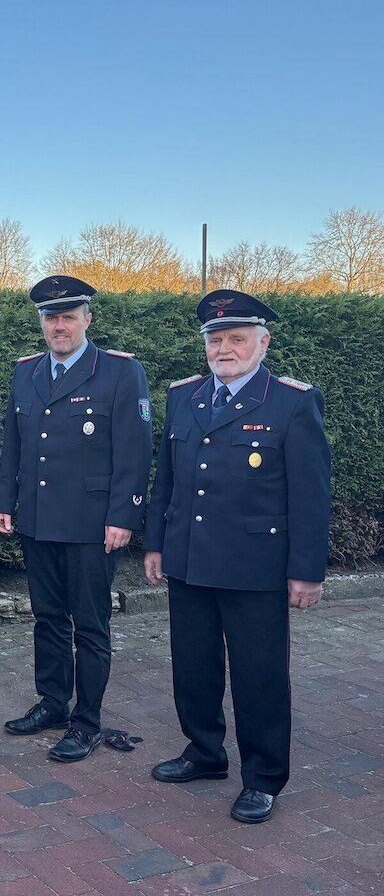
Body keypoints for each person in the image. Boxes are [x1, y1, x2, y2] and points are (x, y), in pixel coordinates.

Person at [144, 290, 331, 824]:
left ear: (262, 343)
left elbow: (311, 496)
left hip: (255, 565)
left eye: (237, 338)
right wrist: (156, 543)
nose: (224, 348)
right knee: (194, 667)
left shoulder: (292, 401)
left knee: (259, 675)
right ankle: (204, 753)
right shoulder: (185, 397)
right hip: (189, 558)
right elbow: (169, 481)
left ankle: (264, 777)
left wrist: (305, 571)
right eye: (216, 339)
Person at [0, 276, 153, 762]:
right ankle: (53, 703)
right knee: (47, 618)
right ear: (41, 323)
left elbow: (134, 452)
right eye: (50, 317)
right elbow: (14, 445)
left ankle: (87, 721)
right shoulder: (27, 372)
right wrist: (4, 501)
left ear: (88, 319)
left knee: (90, 624)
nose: (58, 325)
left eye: (67, 316)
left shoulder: (121, 372)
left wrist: (123, 516)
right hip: (38, 518)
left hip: (91, 522)